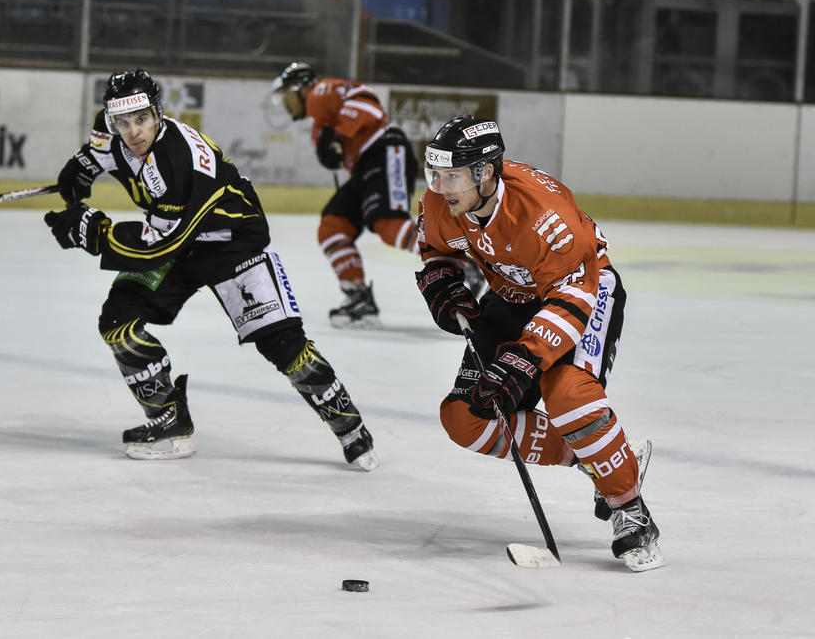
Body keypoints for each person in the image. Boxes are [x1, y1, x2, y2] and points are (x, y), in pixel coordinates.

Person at [43, 68, 378, 470]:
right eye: (123, 122)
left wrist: (91, 232)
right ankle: (169, 422)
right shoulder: (113, 128)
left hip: (232, 244)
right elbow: (98, 151)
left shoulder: (177, 163)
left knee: (284, 345)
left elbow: (157, 247)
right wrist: (79, 172)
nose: (133, 131)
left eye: (142, 119)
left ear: (158, 113)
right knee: (118, 322)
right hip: (180, 244)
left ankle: (351, 429)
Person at [413, 115, 663, 570]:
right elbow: (437, 249)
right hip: (513, 295)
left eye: (451, 175)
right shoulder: (440, 203)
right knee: (467, 418)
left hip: (584, 290)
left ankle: (629, 507)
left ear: (485, 172)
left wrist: (525, 359)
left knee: (566, 394)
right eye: (436, 173)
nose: (439, 185)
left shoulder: (544, 216)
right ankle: (599, 460)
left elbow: (572, 295)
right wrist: (445, 283)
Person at [272, 62, 435, 328]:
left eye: (286, 96)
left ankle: (454, 258)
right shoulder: (317, 125)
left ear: (300, 88)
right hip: (364, 167)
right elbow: (335, 152)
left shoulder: (320, 93)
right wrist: (331, 146)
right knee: (332, 227)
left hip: (384, 150)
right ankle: (359, 297)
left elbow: (368, 101)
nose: (285, 103)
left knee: (388, 224)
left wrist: (338, 135)